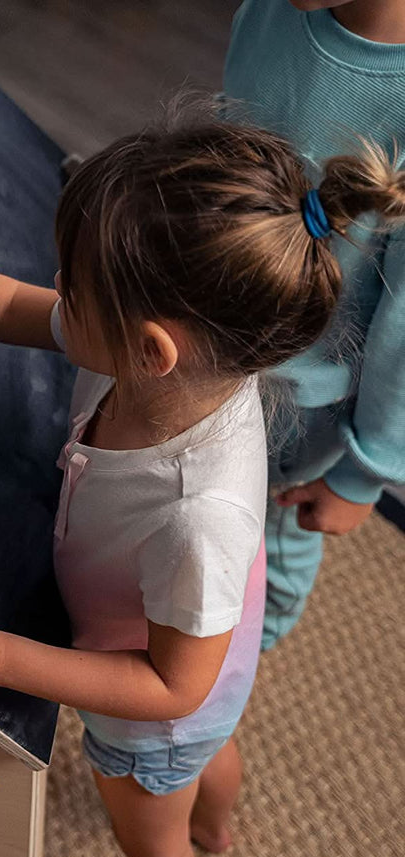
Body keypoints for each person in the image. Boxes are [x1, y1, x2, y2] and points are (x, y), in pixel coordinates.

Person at [0, 114, 403, 857]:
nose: (56, 291)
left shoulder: (199, 515)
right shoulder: (170, 358)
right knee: (213, 749)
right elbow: (9, 305)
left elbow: (173, 687)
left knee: (152, 839)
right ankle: (218, 823)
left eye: (74, 289)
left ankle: (200, 837)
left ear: (152, 349)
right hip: (202, 635)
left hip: (159, 718)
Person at [224, 0, 405, 649]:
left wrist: (361, 474)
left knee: (267, 523)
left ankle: (247, 649)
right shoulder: (270, 13)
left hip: (301, 406)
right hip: (217, 326)